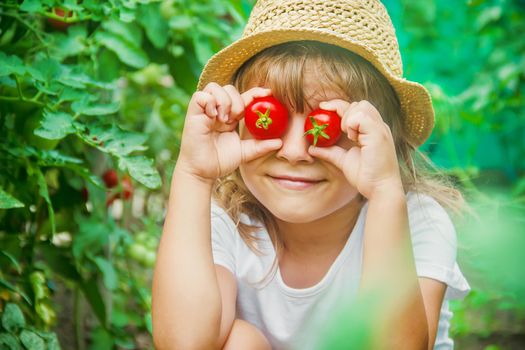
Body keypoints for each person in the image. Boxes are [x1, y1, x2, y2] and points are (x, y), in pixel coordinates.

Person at [152, 0, 471, 349]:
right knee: (241, 342)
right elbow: (184, 343)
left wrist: (384, 192)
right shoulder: (227, 219)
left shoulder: (415, 220)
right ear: (239, 121)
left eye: (328, 125)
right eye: (269, 117)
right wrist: (193, 174)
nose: (293, 152)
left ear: (381, 138)